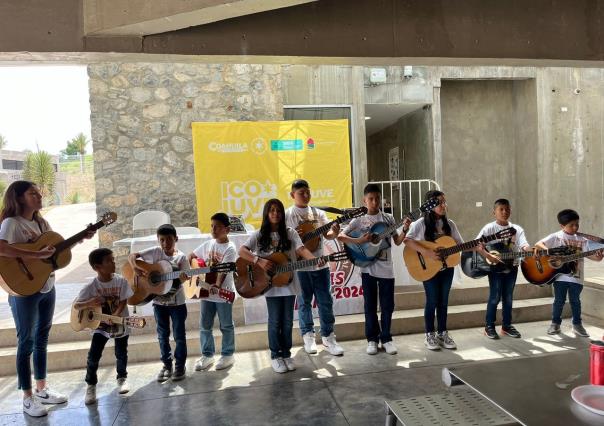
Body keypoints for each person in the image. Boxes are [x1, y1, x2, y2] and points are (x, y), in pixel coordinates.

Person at [0, 180, 94, 417]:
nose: (39, 196)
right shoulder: (12, 223)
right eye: (33, 193)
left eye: (39, 193)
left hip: (46, 285)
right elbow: (2, 248)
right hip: (23, 289)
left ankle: (42, 389)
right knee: (26, 342)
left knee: (42, 338)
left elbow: (54, 250)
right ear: (19, 198)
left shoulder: (42, 222)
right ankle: (27, 397)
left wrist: (81, 237)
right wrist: (34, 252)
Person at [239, 199, 322, 373]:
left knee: (287, 321)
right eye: (271, 210)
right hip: (270, 285)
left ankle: (286, 354)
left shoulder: (290, 232)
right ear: (266, 214)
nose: (275, 213)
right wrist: (258, 260)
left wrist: (314, 260)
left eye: (278, 210)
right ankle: (275, 356)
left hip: (289, 283)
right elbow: (242, 251)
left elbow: (301, 250)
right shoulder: (260, 234)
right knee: (275, 320)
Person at [338, 184, 408, 356]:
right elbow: (341, 236)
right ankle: (372, 339)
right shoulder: (359, 220)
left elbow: (398, 241)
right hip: (367, 268)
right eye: (371, 199)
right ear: (364, 200)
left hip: (386, 269)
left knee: (387, 305)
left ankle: (386, 338)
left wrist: (405, 227)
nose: (375, 202)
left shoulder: (389, 219)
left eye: (377, 198)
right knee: (370, 306)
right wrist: (359, 241)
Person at [285, 179, 343, 356]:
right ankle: (308, 336)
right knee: (304, 303)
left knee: (325, 301)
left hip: (321, 264)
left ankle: (328, 336)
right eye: (301, 192)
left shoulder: (318, 213)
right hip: (301, 267)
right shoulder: (288, 215)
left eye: (308, 192)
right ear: (292, 195)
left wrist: (336, 229)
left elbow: (329, 235)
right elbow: (285, 240)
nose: (305, 195)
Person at [128, 224, 189, 382]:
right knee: (162, 336)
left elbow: (183, 280)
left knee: (179, 336)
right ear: (158, 240)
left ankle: (180, 366)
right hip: (158, 304)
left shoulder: (181, 258)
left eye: (169, 239)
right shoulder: (155, 252)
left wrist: (180, 281)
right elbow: (132, 256)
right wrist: (135, 267)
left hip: (177, 304)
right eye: (162, 240)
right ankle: (167, 365)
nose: (165, 243)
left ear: (176, 239)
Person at [404, 190, 463, 351]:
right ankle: (429, 334)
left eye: (444, 201)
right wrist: (427, 252)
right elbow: (407, 240)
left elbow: (459, 244)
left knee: (443, 302)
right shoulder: (420, 224)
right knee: (432, 301)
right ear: (430, 205)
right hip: (427, 268)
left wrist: (476, 246)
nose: (444, 205)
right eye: (439, 202)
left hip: (446, 268)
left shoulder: (450, 224)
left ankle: (442, 333)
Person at [75, 248, 133, 405]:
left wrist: (115, 315)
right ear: (97, 267)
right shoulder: (91, 286)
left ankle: (122, 378)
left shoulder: (120, 281)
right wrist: (89, 303)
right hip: (100, 327)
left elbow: (123, 300)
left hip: (119, 323)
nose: (113, 263)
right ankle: (91, 385)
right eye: (109, 261)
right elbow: (77, 306)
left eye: (113, 259)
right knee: (93, 356)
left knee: (121, 353)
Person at [535, 209, 603, 337]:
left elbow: (592, 257)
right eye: (571, 225)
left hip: (576, 277)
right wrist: (551, 252)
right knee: (559, 301)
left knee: (575, 301)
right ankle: (555, 324)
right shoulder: (557, 236)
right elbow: (539, 244)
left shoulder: (583, 239)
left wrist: (599, 257)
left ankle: (577, 325)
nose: (575, 227)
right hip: (560, 276)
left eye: (577, 224)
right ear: (562, 226)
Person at [477, 199, 530, 340]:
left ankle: (506, 326)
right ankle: (489, 326)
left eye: (507, 209)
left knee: (508, 297)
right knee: (495, 297)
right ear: (494, 212)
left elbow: (524, 244)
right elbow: (478, 245)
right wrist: (488, 255)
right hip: (495, 269)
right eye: (501, 209)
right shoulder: (489, 228)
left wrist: (528, 250)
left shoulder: (517, 229)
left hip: (512, 267)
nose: (504, 212)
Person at [190, 213, 237, 371]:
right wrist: (193, 268)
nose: (213, 229)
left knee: (226, 325)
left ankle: (228, 354)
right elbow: (192, 256)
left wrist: (217, 285)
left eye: (217, 226)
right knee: (205, 325)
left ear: (227, 229)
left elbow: (223, 272)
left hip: (224, 294)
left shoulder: (230, 248)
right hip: (206, 294)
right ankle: (207, 355)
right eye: (212, 226)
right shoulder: (208, 244)